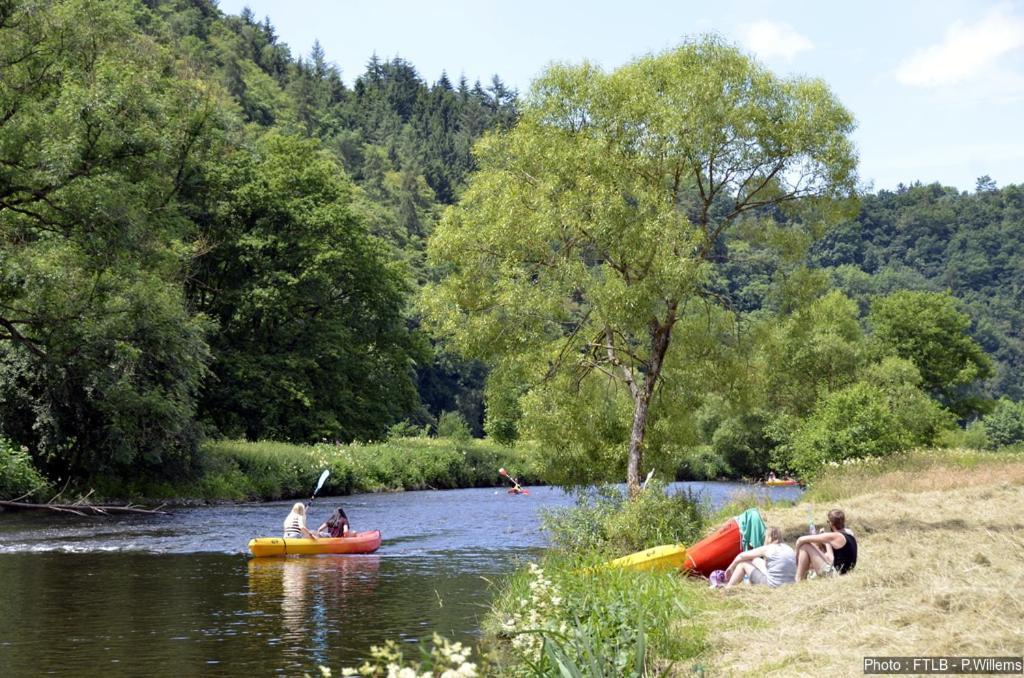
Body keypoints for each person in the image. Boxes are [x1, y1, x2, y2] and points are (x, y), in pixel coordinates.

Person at [723, 526, 796, 588]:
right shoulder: (789, 548)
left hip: (773, 585)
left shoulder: (768, 548)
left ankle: (728, 587)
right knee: (755, 560)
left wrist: (731, 567)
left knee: (743, 564)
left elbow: (741, 556)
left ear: (769, 538)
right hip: (789, 584)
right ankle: (750, 582)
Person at [794, 508, 857, 580]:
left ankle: (798, 579)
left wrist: (796, 555)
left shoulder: (835, 536)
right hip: (844, 573)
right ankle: (802, 577)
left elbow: (800, 540)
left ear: (831, 523)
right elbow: (831, 559)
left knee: (805, 546)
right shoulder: (849, 533)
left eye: (828, 521)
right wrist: (827, 543)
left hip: (834, 575)